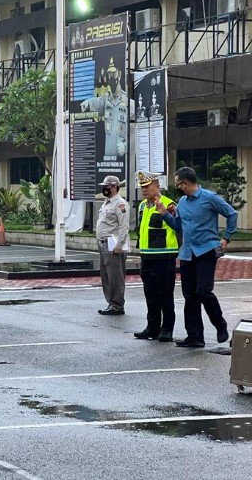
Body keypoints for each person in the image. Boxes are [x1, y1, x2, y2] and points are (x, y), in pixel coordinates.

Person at [155, 166, 237, 347]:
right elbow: (178, 226)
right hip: (187, 253)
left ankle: (220, 324)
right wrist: (164, 213)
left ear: (186, 183)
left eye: (178, 184)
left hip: (206, 251)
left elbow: (232, 214)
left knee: (203, 291)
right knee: (190, 295)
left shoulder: (210, 198)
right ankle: (195, 337)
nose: (177, 187)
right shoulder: (182, 202)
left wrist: (226, 238)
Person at [134, 172, 179, 342]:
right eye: (142, 187)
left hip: (164, 256)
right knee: (150, 295)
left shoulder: (168, 204)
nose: (144, 190)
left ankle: (167, 329)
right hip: (147, 256)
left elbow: (177, 227)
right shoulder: (142, 206)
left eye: (147, 186)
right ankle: (152, 327)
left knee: (165, 295)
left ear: (157, 186)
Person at [80, 57, 128, 157]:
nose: (111, 77)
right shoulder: (107, 99)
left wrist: (126, 145)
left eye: (113, 74)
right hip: (109, 155)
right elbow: (97, 102)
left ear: (119, 74)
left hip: (122, 158)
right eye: (109, 74)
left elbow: (135, 128)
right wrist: (87, 103)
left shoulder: (127, 101)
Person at [96, 175, 129, 316]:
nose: (105, 189)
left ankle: (117, 305)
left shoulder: (120, 204)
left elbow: (124, 226)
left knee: (115, 276)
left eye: (107, 187)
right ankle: (111, 303)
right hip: (104, 243)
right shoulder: (107, 203)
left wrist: (119, 245)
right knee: (106, 275)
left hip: (113, 244)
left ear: (115, 187)